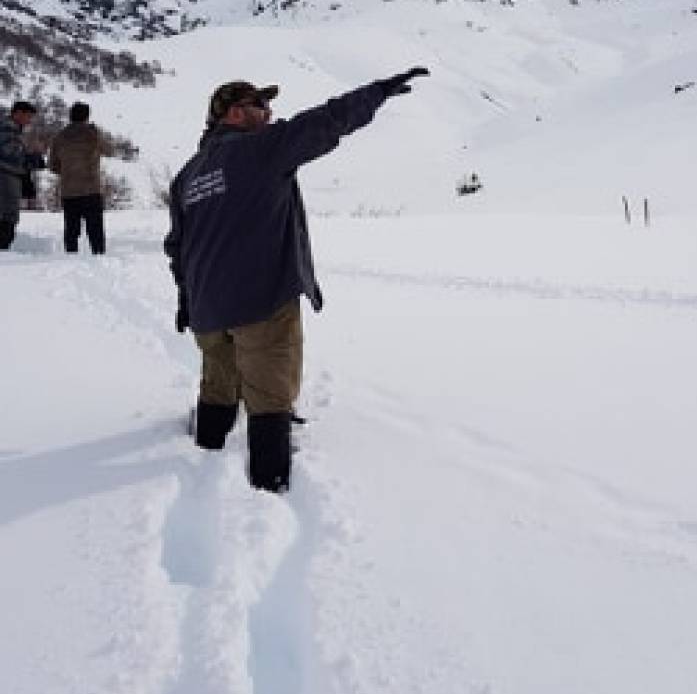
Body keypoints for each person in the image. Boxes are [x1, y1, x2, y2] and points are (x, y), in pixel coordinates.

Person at [164, 67, 429, 492]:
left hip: (208, 307)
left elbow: (177, 245)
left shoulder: (187, 176)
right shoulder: (260, 151)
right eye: (260, 105)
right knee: (270, 395)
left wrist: (186, 299)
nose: (269, 113)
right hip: (260, 299)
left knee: (219, 382)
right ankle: (269, 492)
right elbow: (325, 121)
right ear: (234, 113)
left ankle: (207, 448)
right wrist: (376, 91)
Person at [50, 102, 114, 255]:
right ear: (87, 116)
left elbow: (52, 165)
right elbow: (109, 150)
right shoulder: (92, 134)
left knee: (71, 229)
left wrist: (67, 171)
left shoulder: (59, 137)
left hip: (69, 191)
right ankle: (98, 257)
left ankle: (71, 257)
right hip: (91, 189)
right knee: (95, 229)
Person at [0, 100, 45, 249]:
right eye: (28, 116)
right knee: (7, 217)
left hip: (10, 179)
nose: (29, 121)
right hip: (6, 179)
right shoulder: (6, 129)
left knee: (9, 216)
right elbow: (9, 153)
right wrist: (32, 157)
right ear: (18, 113)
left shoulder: (13, 131)